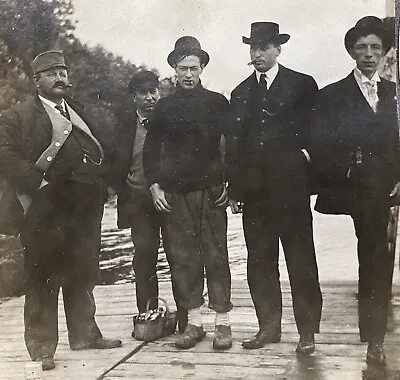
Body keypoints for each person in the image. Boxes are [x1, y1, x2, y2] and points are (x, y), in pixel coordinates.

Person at [0, 51, 122, 371]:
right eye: (51, 72)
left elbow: (97, 152)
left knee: (83, 271)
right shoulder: (19, 115)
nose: (59, 77)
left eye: (62, 71)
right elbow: (6, 154)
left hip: (82, 207)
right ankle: (42, 347)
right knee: (43, 275)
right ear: (36, 80)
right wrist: (35, 184)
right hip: (44, 208)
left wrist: (100, 188)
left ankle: (85, 335)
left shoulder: (78, 112)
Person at [226, 22, 322, 354]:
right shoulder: (239, 93)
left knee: (301, 260)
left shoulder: (302, 85)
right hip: (254, 196)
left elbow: (318, 133)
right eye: (253, 48)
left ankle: (307, 332)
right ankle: (268, 327)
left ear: (278, 49)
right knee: (260, 262)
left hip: (292, 191)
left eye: (264, 48)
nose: (258, 54)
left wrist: (304, 161)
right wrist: (236, 190)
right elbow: (234, 147)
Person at [310, 16, 398, 366]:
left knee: (379, 259)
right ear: (351, 51)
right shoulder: (332, 95)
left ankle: (376, 334)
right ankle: (374, 336)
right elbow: (320, 143)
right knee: (373, 257)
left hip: (389, 189)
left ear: (384, 53)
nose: (369, 54)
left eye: (376, 48)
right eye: (362, 47)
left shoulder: (394, 94)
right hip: (354, 190)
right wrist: (348, 165)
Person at [143, 36, 233, 350]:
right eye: (182, 68)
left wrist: (231, 184)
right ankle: (194, 323)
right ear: (174, 69)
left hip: (211, 192)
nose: (188, 74)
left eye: (194, 68)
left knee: (216, 255)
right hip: (175, 195)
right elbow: (150, 150)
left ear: (203, 67)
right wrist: (154, 184)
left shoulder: (218, 103)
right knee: (183, 258)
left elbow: (233, 145)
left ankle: (223, 324)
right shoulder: (164, 107)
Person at [109, 70, 187, 334]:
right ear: (134, 97)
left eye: (154, 91)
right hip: (139, 203)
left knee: (179, 255)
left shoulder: (172, 121)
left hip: (171, 199)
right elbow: (114, 165)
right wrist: (127, 191)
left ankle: (186, 316)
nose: (150, 97)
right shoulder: (123, 126)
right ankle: (147, 315)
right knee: (144, 257)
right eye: (143, 93)